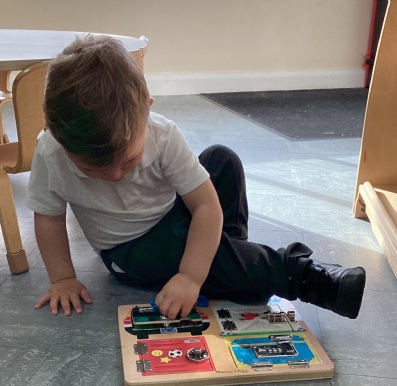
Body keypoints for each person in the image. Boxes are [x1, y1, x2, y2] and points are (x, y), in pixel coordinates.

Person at [26, 35, 366, 319]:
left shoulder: (163, 134)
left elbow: (205, 205)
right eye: (93, 170)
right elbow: (49, 218)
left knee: (221, 159)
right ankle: (308, 279)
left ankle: (227, 261)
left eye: (127, 161)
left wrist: (190, 276)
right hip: (130, 251)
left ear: (147, 109)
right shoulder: (51, 153)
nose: (114, 177)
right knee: (187, 241)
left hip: (172, 216)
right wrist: (63, 278)